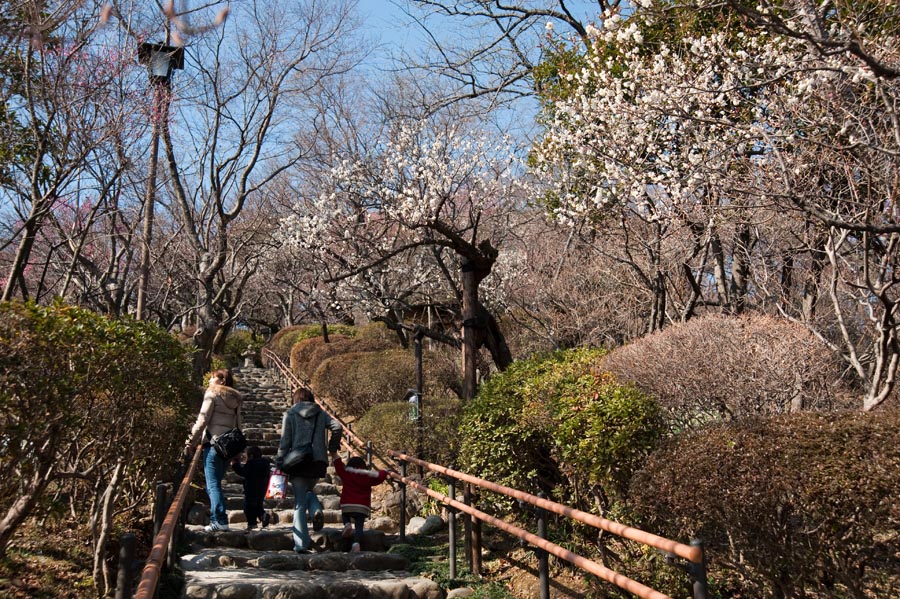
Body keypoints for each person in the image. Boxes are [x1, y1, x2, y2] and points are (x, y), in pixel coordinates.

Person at [276, 387, 342, 553]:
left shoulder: (290, 414)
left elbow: (285, 442)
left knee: (299, 503)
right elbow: (337, 427)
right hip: (317, 462)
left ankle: (300, 544)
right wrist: (332, 448)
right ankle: (316, 510)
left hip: (297, 463)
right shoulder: (320, 413)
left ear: (295, 399)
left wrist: (279, 462)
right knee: (308, 492)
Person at [185, 368, 243, 532]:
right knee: (216, 483)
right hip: (228, 446)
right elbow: (239, 425)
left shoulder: (212, 394)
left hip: (213, 444)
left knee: (212, 484)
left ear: (222, 381)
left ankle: (219, 520)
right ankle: (218, 519)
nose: (210, 381)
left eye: (212, 378)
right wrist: (237, 451)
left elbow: (203, 419)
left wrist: (191, 441)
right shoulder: (236, 399)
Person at [332, 454, 389, 552]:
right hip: (362, 506)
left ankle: (347, 524)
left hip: (347, 504)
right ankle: (356, 543)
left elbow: (338, 467)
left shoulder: (346, 473)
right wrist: (385, 472)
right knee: (359, 527)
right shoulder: (367, 476)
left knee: (345, 515)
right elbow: (379, 477)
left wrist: (335, 456)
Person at [231, 446, 271, 531]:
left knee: (249, 507)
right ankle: (262, 515)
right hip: (262, 489)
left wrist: (235, 465)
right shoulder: (265, 463)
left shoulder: (251, 464)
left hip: (251, 489)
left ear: (251, 456)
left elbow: (243, 472)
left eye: (247, 456)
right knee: (258, 505)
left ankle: (252, 523)